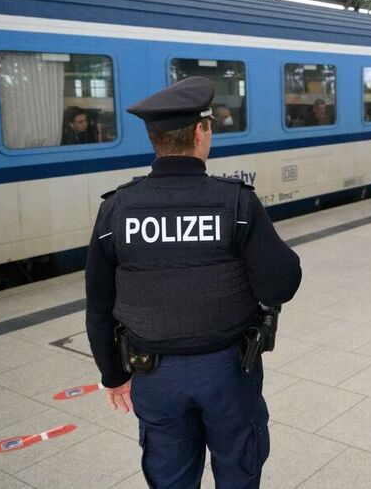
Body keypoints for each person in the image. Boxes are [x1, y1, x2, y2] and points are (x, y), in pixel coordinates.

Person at [85, 76, 302, 489]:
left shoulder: (116, 209)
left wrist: (112, 374)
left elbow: (98, 305)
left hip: (153, 375)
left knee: (170, 478)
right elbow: (281, 284)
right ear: (201, 132)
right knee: (238, 471)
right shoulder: (236, 202)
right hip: (229, 371)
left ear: (154, 139)